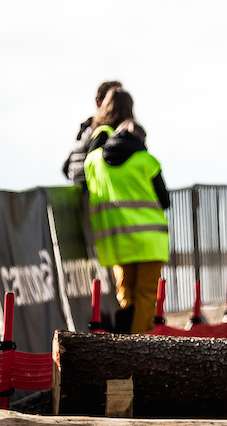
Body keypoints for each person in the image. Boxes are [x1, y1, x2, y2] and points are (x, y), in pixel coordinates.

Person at [82, 88, 171, 334]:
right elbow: (165, 200)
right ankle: (137, 344)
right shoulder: (146, 161)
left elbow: (85, 179)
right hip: (151, 240)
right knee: (146, 296)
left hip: (117, 238)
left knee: (125, 293)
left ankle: (127, 344)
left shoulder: (95, 159)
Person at [62, 80, 124, 185]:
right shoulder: (103, 130)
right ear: (99, 102)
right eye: (115, 98)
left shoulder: (86, 129)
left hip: (79, 188)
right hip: (94, 191)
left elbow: (66, 167)